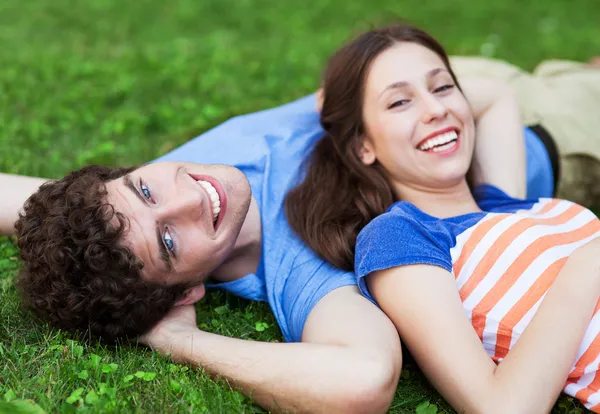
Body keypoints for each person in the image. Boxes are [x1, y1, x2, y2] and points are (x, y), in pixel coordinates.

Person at [1, 27, 597, 414]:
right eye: (167, 239)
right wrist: (183, 342)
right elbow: (362, 378)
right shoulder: (304, 268)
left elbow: (23, 201)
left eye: (144, 184)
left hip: (431, 86)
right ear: (184, 292)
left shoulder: (135, 195)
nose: (186, 196)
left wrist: (504, 213)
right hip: (566, 143)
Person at [286, 24, 600, 412]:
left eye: (443, 87)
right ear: (362, 145)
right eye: (399, 103)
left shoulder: (508, 203)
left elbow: (497, 96)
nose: (436, 110)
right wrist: (585, 266)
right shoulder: (401, 235)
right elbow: (501, 407)